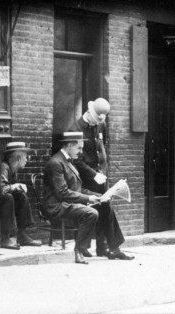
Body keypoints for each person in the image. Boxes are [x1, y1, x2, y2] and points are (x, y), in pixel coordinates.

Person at [43, 132, 133, 264]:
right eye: (79, 148)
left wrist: (98, 196)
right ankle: (79, 250)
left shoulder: (69, 162)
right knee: (91, 213)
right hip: (57, 205)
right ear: (69, 146)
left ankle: (114, 248)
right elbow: (62, 193)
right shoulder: (56, 163)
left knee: (105, 205)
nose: (81, 152)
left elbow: (77, 189)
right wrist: (88, 198)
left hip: (69, 202)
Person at [70, 97, 112, 258]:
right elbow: (77, 161)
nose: (97, 124)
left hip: (101, 175)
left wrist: (102, 172)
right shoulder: (75, 129)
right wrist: (93, 174)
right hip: (86, 177)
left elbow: (102, 147)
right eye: (96, 121)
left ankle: (102, 246)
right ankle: (84, 247)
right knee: (87, 211)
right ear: (88, 113)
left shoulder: (101, 124)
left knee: (104, 207)